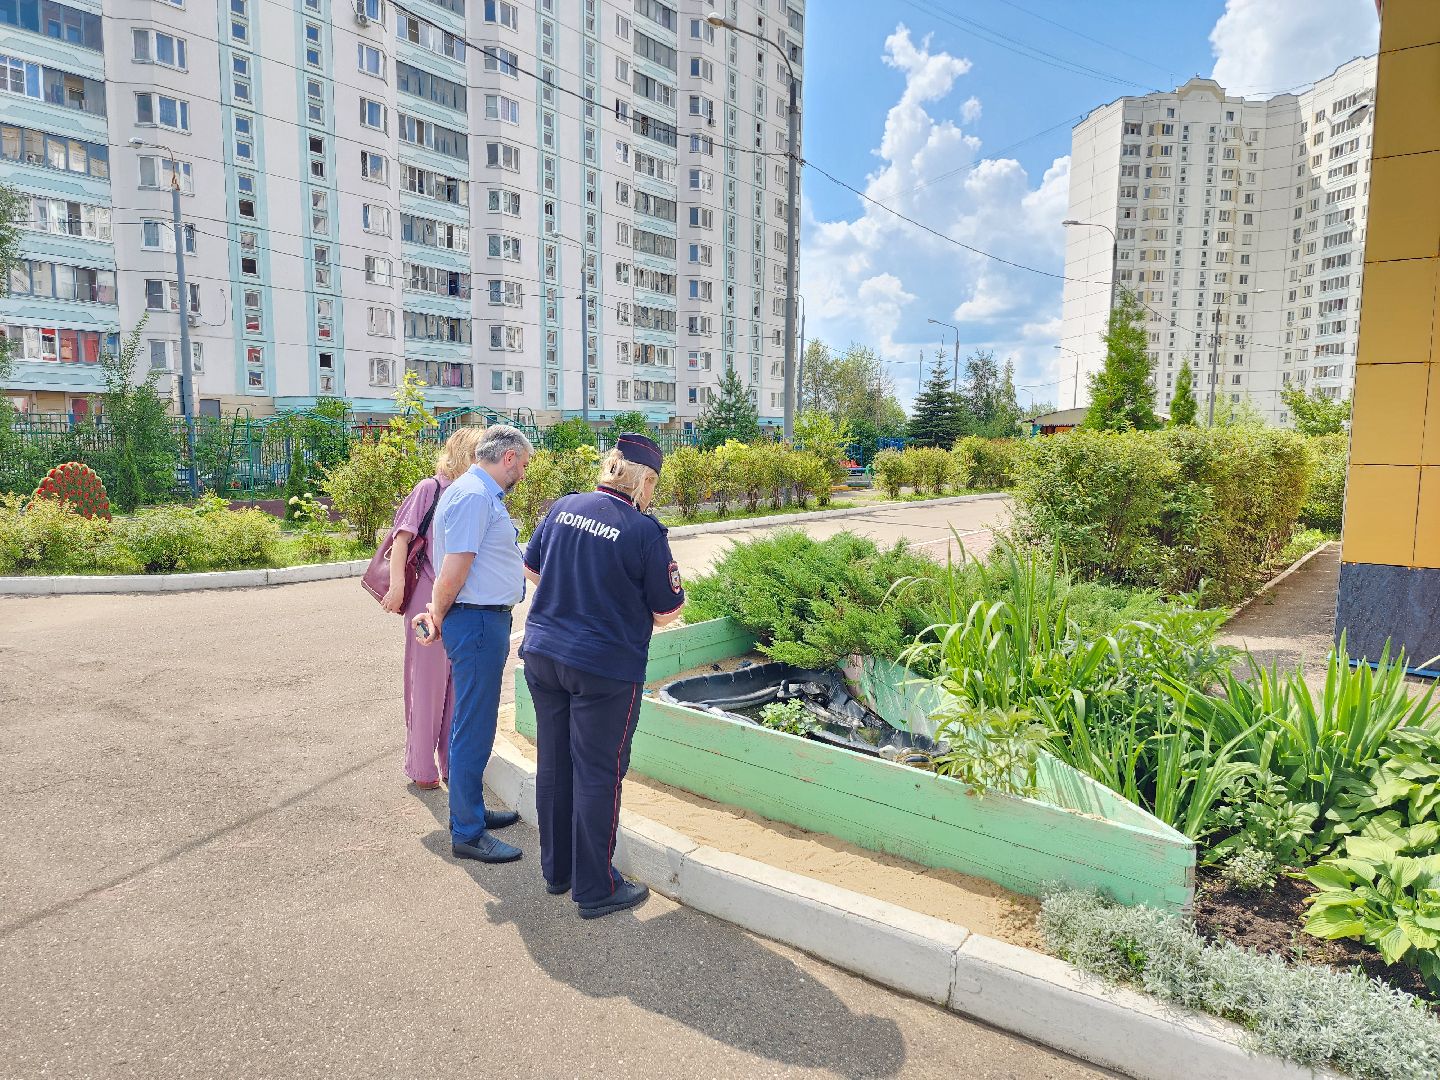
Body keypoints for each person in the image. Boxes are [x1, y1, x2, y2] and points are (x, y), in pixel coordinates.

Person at [520, 433, 685, 919]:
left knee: (554, 764)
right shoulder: (643, 531)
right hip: (603, 669)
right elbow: (667, 610)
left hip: (544, 655)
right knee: (598, 773)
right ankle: (595, 887)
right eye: (653, 485)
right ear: (645, 480)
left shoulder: (563, 507)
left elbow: (532, 568)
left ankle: (558, 871)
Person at [412, 424, 533, 864]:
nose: (524, 473)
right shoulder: (474, 496)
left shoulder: (476, 493)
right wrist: (438, 615)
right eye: (523, 464)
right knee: (474, 726)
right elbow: (455, 568)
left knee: (472, 721)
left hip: (482, 620)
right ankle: (467, 831)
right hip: (478, 621)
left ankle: (472, 811)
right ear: (508, 457)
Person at [381, 426, 486, 790]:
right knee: (427, 684)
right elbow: (401, 539)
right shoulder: (431, 488)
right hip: (426, 597)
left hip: (461, 599)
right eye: (480, 453)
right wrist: (397, 586)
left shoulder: (473, 494)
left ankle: (451, 765)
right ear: (466, 455)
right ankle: (422, 767)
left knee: (457, 687)